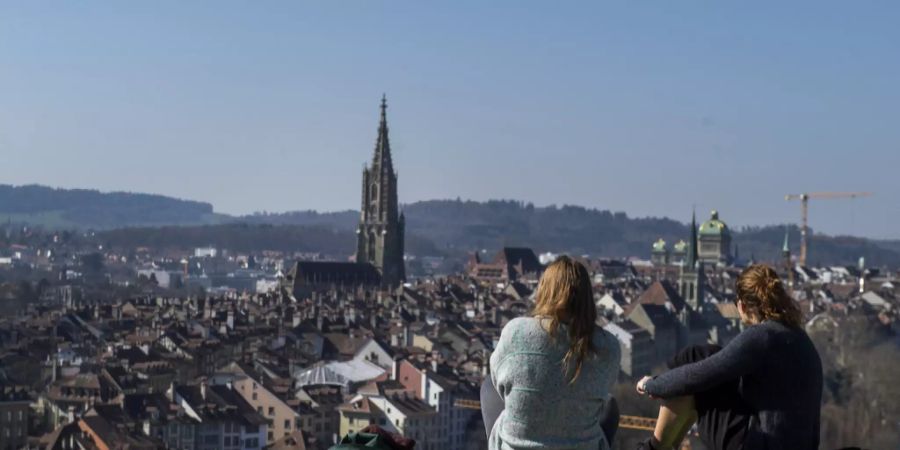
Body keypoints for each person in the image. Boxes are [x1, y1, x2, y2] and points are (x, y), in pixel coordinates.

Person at [635, 264, 823, 450]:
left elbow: (697, 375)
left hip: (759, 444)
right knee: (704, 355)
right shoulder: (800, 338)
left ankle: (654, 448)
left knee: (694, 360)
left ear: (742, 304)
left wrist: (652, 384)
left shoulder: (762, 336)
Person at [481, 255, 621, 450]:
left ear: (544, 290)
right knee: (610, 406)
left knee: (489, 385)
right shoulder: (608, 346)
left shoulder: (516, 331)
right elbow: (603, 392)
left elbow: (498, 380)